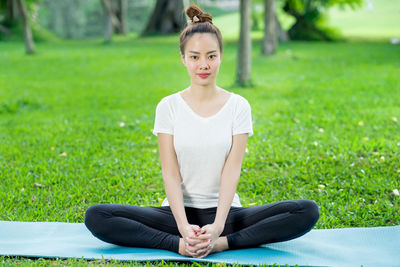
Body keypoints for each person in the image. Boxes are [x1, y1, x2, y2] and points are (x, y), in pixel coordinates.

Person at [84, 4, 320, 259]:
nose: (203, 65)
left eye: (211, 56)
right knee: (97, 215)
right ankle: (176, 245)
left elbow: (232, 170)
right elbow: (170, 172)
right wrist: (183, 231)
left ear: (220, 56)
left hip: (227, 215)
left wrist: (218, 230)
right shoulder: (168, 106)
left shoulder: (238, 106)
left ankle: (223, 244)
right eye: (195, 57)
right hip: (175, 217)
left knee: (306, 211)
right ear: (183, 59)